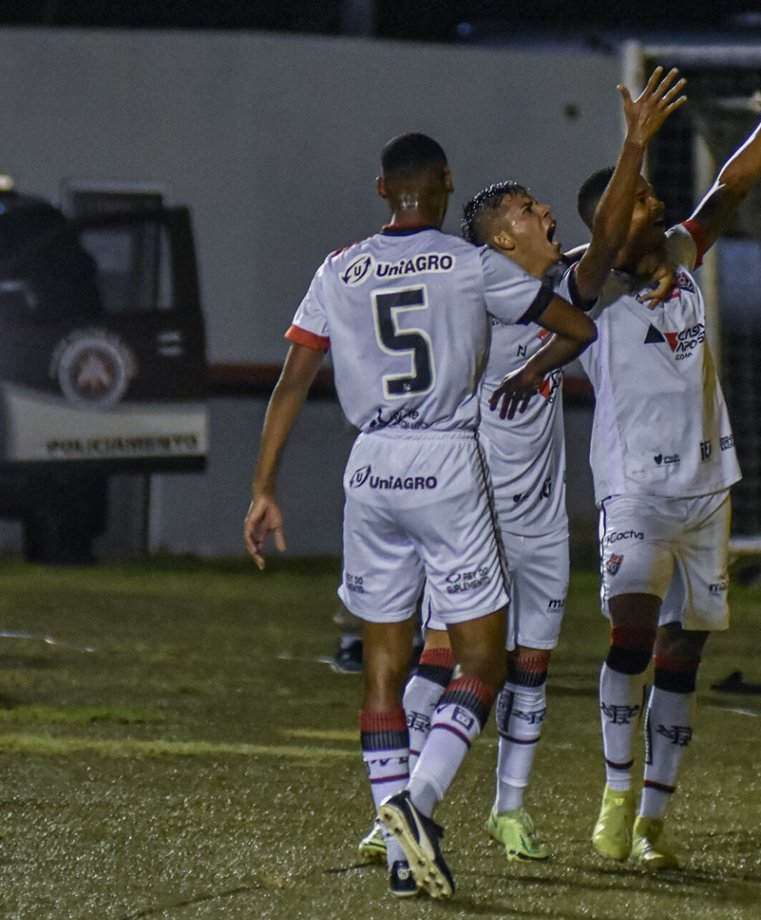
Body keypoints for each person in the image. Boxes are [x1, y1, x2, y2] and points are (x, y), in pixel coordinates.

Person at [243, 132, 595, 900]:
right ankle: (417, 804)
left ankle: (396, 843)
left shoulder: (339, 268)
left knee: (382, 660)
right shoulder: (473, 265)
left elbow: (294, 380)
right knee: (481, 659)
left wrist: (264, 487)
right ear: (443, 186)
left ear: (381, 190)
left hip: (368, 467)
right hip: (444, 460)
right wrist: (522, 364)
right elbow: (578, 328)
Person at [497, 62, 761, 871]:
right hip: (635, 490)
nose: (655, 204)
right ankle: (614, 794)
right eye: (640, 199)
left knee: (685, 656)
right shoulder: (585, 284)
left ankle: (652, 819)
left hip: (708, 489)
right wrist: (633, 145)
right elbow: (612, 230)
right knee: (632, 638)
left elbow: (730, 188)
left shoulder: (679, 253)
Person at [380, 66, 687, 867]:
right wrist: (632, 146)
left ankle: (506, 809)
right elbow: (601, 258)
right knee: (446, 660)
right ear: (500, 239)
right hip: (474, 522)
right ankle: (398, 807)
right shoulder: (486, 296)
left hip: (542, 522)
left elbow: (606, 252)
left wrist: (640, 210)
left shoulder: (546, 287)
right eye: (525, 211)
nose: (544, 212)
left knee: (532, 667)